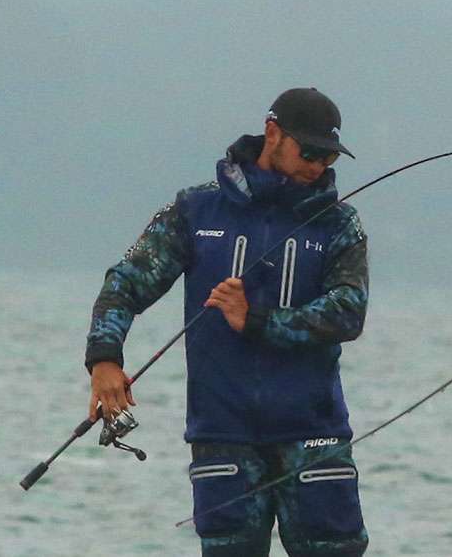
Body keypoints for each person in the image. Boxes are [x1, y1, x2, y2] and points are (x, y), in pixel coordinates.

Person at [85, 87, 370, 556]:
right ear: (272, 134)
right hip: (222, 437)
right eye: (311, 151)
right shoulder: (195, 210)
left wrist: (257, 320)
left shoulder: (340, 224)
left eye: (329, 156)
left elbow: (348, 312)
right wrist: (104, 359)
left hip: (315, 435)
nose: (319, 165)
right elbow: (124, 283)